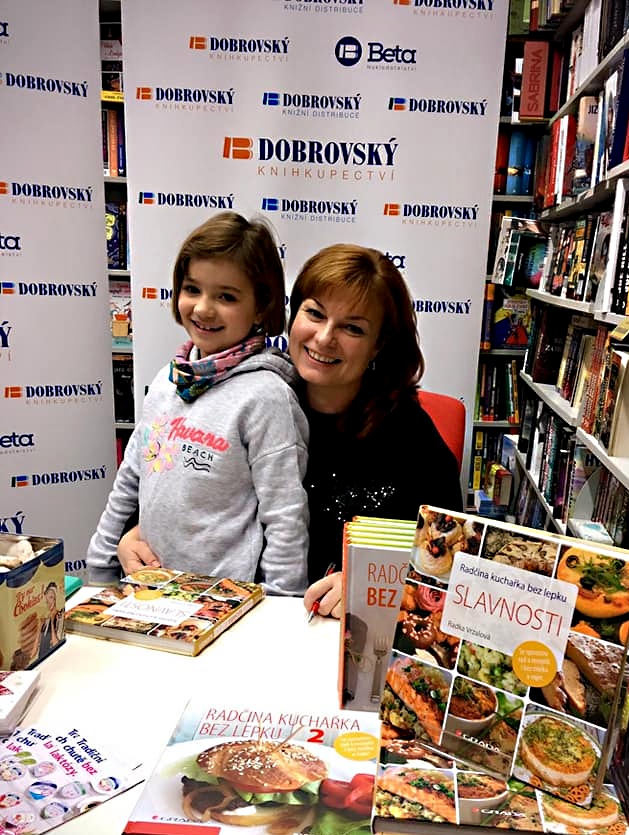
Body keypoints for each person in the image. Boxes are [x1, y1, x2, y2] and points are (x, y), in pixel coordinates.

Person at [118, 243, 463, 618]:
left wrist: (374, 585)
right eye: (315, 313)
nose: (324, 338)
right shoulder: (254, 400)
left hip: (342, 630)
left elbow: (451, 560)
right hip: (229, 618)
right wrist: (137, 533)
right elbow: (177, 487)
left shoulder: (409, 435)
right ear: (291, 315)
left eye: (352, 328)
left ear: (378, 344)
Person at [86, 212, 309, 596]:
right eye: (192, 289)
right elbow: (129, 481)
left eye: (226, 296)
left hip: (227, 604)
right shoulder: (166, 381)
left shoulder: (266, 397)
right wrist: (100, 566)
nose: (203, 308)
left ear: (260, 307)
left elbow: (285, 518)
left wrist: (281, 607)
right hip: (150, 591)